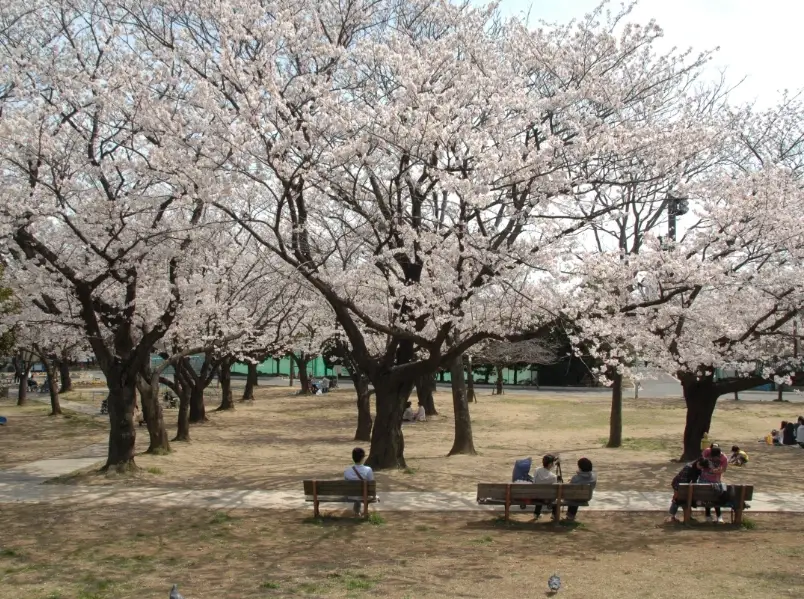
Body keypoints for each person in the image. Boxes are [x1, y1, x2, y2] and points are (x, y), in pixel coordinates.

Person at [665, 457, 706, 524]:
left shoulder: (698, 469)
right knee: (676, 499)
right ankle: (672, 517)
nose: (701, 468)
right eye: (700, 466)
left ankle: (688, 516)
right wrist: (678, 491)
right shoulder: (688, 467)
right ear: (698, 462)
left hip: (686, 486)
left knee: (688, 499)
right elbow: (681, 481)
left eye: (702, 467)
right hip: (678, 485)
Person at [699, 445, 727, 523]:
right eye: (712, 456)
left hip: (715, 480)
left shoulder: (723, 458)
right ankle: (710, 516)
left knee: (715, 496)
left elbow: (723, 470)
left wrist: (716, 471)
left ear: (719, 456)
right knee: (707, 496)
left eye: (715, 457)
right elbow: (700, 461)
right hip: (704, 479)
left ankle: (716, 516)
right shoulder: (707, 451)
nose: (713, 458)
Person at [344, 447, 374, 516]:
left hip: (351, 496)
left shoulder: (347, 471)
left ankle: (357, 511)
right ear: (363, 458)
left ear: (353, 458)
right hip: (365, 495)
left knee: (357, 494)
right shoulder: (368, 470)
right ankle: (363, 512)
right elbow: (371, 482)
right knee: (363, 493)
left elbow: (346, 483)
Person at [531, 454, 559, 520]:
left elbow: (534, 482)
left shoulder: (537, 470)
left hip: (536, 497)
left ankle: (536, 513)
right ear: (550, 464)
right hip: (547, 498)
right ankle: (554, 514)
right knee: (555, 496)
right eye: (553, 463)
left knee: (540, 492)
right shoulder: (553, 476)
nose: (554, 465)